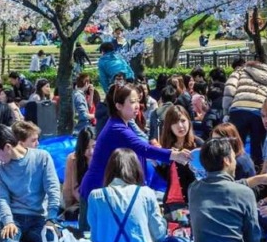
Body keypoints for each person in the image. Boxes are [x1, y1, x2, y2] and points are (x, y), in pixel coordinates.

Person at [80, 84, 192, 225]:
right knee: (89, 240)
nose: (137, 105)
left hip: (105, 191)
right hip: (96, 190)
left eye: (138, 101)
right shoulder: (117, 128)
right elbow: (143, 148)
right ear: (119, 106)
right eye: (132, 102)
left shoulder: (123, 124)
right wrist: (174, 155)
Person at [62, 149, 166, 242]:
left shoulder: (96, 195)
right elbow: (159, 235)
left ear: (109, 170)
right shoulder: (146, 193)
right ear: (136, 169)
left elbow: (97, 241)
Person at [188, 138, 264, 242]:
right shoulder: (244, 193)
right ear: (227, 160)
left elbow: (220, 188)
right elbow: (253, 236)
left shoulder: (193, 189)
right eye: (234, 157)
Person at [0, 124, 61, 242]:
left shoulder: (41, 157)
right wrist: (8, 221)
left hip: (39, 217)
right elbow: (2, 198)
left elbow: (53, 188)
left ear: (7, 147)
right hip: (15, 218)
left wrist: (51, 218)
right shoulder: (0, 169)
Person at [223, 60, 267, 168]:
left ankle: (236, 169)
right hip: (259, 109)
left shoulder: (239, 71)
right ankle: (258, 170)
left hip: (238, 108)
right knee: (258, 145)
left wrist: (226, 112)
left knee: (236, 145)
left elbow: (229, 89)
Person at [156, 106, 203, 212]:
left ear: (189, 121)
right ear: (169, 126)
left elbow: (202, 176)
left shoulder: (198, 145)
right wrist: (155, 164)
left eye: (183, 121)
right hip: (170, 202)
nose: (180, 126)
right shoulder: (168, 147)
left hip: (192, 202)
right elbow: (169, 177)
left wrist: (186, 162)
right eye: (175, 123)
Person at [62, 126, 95, 221]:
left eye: (93, 146)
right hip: (80, 201)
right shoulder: (73, 159)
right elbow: (72, 189)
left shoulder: (103, 158)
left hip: (99, 202)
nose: (91, 152)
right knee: (71, 214)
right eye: (86, 147)